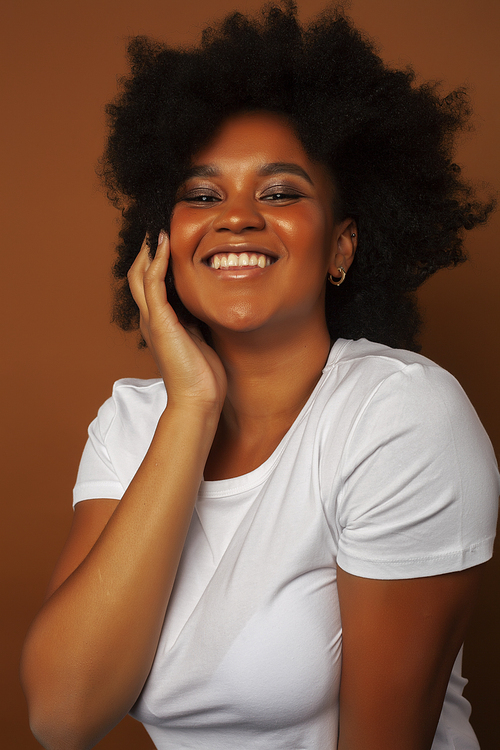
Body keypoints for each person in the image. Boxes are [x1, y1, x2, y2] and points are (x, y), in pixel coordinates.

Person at [21, 3, 499, 749]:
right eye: (202, 195)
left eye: (279, 192)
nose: (235, 217)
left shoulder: (398, 415)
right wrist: (193, 405)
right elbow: (62, 713)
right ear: (164, 242)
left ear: (342, 248)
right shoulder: (133, 421)